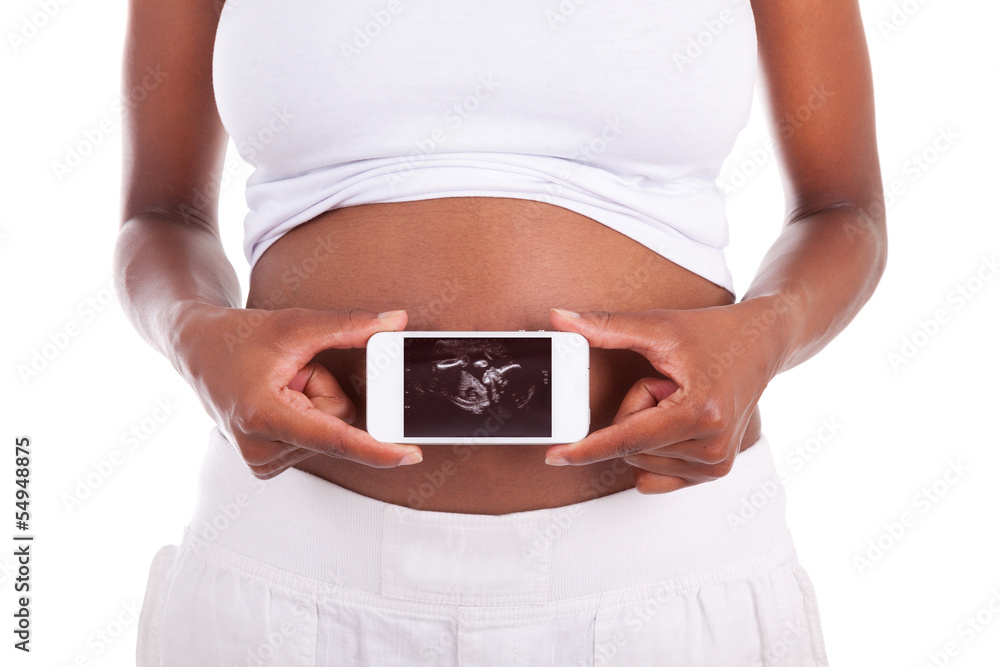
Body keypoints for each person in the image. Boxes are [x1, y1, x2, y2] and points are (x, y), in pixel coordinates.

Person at [117, 0, 885, 664]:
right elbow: (160, 216)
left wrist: (769, 332)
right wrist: (195, 334)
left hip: (664, 573)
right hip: (288, 571)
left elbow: (842, 211)